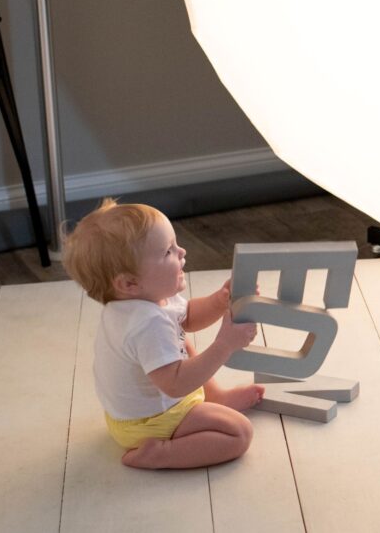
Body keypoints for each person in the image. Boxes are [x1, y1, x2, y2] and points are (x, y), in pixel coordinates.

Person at [64, 199, 265, 469]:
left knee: (180, 339)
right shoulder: (146, 324)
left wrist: (219, 301)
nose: (182, 252)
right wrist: (224, 344)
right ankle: (162, 454)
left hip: (136, 413)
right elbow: (176, 384)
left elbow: (188, 317)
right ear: (129, 283)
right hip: (151, 422)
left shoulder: (145, 301)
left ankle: (216, 396)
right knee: (239, 433)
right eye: (168, 251)